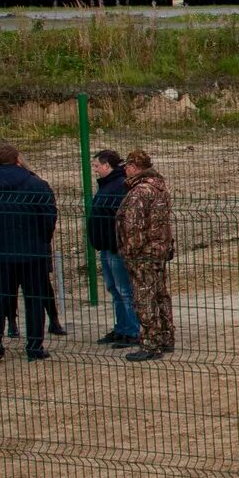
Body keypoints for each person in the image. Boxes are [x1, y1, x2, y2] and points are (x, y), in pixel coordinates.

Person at [0, 141, 61, 364]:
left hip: (1, 252)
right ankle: (35, 346)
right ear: (18, 160)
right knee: (34, 300)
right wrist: (41, 240)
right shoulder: (36, 185)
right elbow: (49, 217)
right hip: (32, 253)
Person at [117, 148, 176, 361]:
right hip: (159, 250)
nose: (125, 172)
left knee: (145, 298)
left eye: (127, 167)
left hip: (143, 254)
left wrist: (130, 252)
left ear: (133, 167)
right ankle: (166, 336)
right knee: (160, 294)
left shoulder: (139, 192)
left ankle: (151, 344)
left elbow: (133, 226)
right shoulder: (160, 188)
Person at [87, 148, 142, 345]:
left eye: (96, 165)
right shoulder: (107, 185)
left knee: (124, 289)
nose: (94, 169)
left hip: (115, 247)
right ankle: (121, 328)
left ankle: (133, 330)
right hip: (106, 246)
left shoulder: (118, 186)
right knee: (114, 288)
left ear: (107, 166)